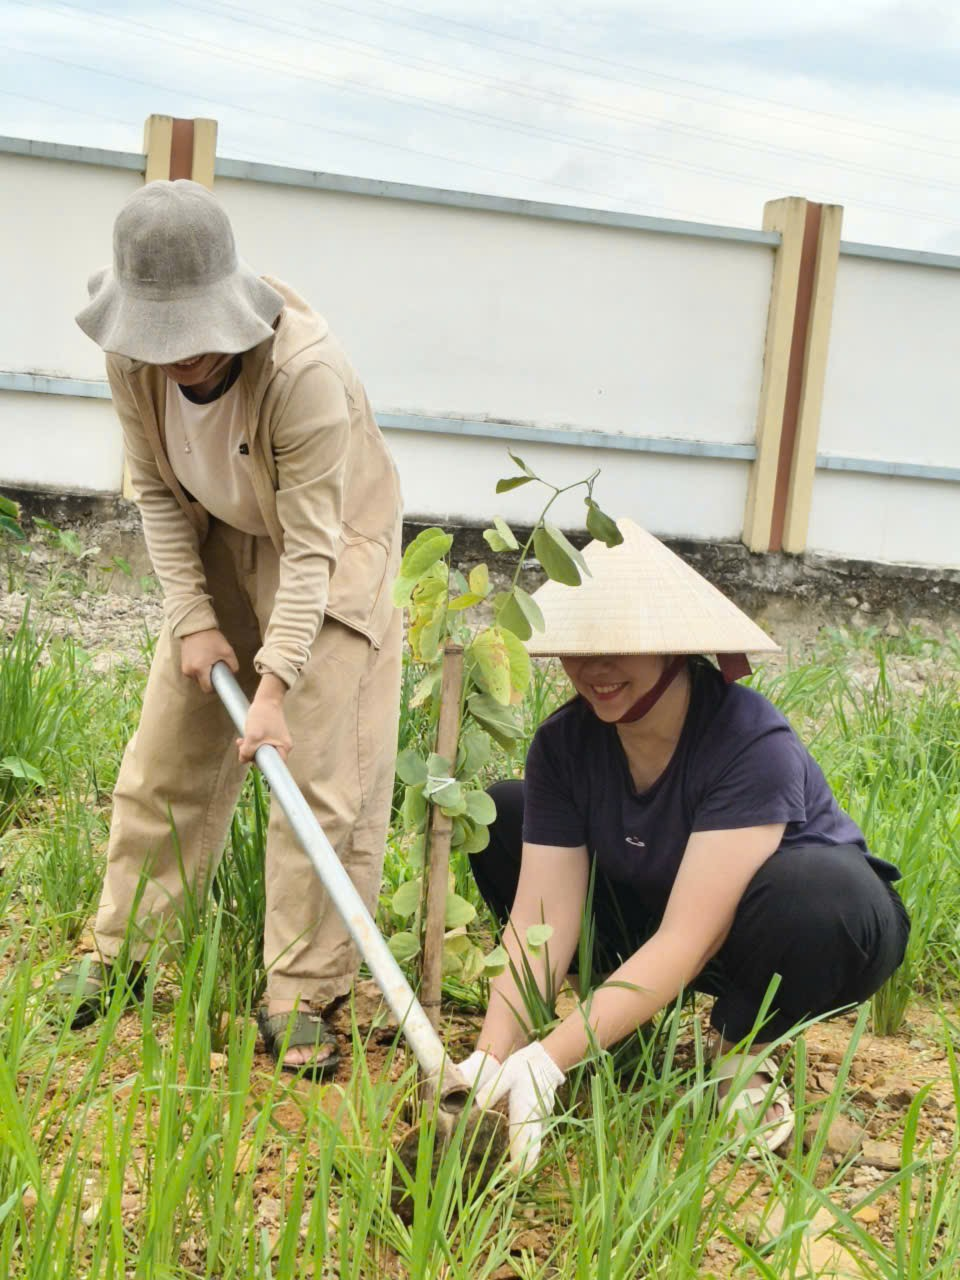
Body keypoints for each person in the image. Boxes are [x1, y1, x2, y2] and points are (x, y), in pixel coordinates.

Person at [57, 179, 403, 1077]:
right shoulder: (131, 362)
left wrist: (277, 685)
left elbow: (315, 548)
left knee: (319, 775)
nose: (180, 358)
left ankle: (301, 994)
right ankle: (120, 951)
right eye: (160, 338)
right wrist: (193, 621)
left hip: (329, 544)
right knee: (166, 749)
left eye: (196, 337)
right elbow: (158, 499)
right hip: (216, 526)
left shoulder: (304, 372)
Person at [457, 520, 909, 1166]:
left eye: (622, 648)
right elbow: (540, 918)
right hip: (658, 915)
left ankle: (741, 1052)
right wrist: (492, 1057)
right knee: (503, 812)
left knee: (821, 893)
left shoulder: (749, 740)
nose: (595, 670)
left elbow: (688, 938)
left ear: (675, 648)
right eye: (580, 647)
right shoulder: (565, 744)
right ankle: (613, 1016)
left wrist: (549, 1061)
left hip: (784, 935)